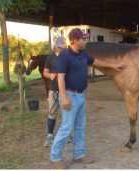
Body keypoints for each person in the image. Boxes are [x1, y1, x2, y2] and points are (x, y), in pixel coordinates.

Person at [50, 28, 126, 169]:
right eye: (84, 39)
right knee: (66, 128)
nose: (86, 41)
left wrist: (113, 65)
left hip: (80, 95)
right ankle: (55, 157)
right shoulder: (65, 55)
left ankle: (79, 154)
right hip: (70, 96)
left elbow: (96, 62)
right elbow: (60, 78)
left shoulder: (82, 54)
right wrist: (64, 97)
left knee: (80, 127)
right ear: (76, 40)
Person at [43, 36, 67, 147]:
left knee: (67, 114)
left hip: (66, 90)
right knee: (52, 113)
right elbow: (45, 72)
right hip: (53, 90)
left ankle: (67, 135)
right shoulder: (50, 58)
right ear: (56, 46)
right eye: (59, 47)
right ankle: (50, 136)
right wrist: (50, 75)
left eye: (62, 47)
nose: (60, 49)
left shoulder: (68, 57)